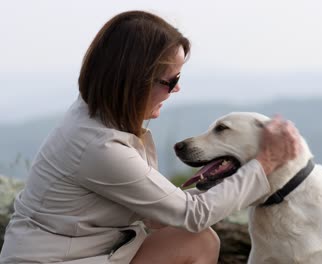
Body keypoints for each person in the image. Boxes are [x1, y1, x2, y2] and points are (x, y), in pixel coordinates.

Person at [0, 10, 301, 264]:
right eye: (171, 81)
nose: (177, 90)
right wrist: (265, 163)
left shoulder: (95, 113)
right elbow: (192, 214)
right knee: (195, 238)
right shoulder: (99, 145)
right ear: (133, 80)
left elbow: (165, 212)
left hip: (81, 252)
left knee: (197, 241)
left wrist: (229, 178)